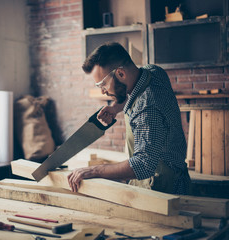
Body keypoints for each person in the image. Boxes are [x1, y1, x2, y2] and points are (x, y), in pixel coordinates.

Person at [67, 42, 191, 195]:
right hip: (172, 173)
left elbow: (143, 165)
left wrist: (94, 170)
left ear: (120, 73)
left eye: (103, 84)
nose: (103, 91)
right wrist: (116, 107)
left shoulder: (146, 109)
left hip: (161, 187)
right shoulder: (153, 72)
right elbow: (136, 89)